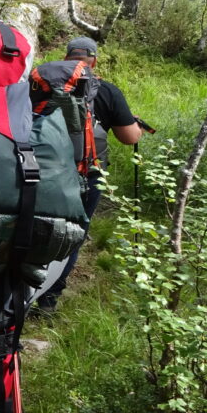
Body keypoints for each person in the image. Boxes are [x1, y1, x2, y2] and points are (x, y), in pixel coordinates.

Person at [35, 36, 142, 313]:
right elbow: (130, 138)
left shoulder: (40, 84)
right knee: (72, 235)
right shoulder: (105, 91)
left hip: (38, 169)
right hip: (86, 174)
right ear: (93, 61)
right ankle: (47, 301)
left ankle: (17, 290)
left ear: (66, 57)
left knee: (31, 225)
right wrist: (137, 127)